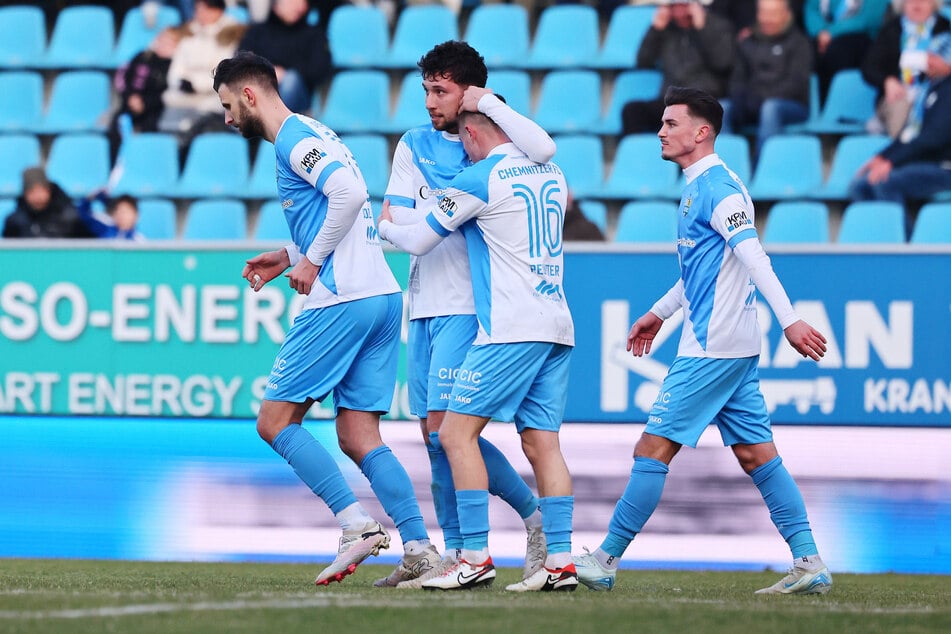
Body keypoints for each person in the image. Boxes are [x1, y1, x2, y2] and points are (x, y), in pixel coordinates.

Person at [573, 86, 833, 596]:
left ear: (702, 132)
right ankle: (809, 561)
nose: (661, 132)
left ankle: (604, 560)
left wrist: (791, 321)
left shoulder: (720, 189)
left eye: (671, 123)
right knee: (758, 456)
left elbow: (754, 257)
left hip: (712, 347)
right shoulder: (701, 186)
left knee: (652, 448)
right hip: (727, 343)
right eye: (662, 123)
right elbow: (702, 269)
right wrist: (659, 312)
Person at [212, 50, 435, 586]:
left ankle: (356, 525)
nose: (225, 119)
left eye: (226, 106)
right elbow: (342, 208)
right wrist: (290, 254)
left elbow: (351, 193)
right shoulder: (317, 131)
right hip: (381, 294)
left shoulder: (292, 138)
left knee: (274, 421)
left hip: (342, 298)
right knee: (360, 435)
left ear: (249, 94)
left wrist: (311, 261)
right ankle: (422, 550)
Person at [376, 40, 558, 589]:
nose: (431, 102)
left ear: (470, 93)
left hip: (468, 306)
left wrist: (418, 220)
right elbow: (405, 227)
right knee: (432, 436)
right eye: (426, 90)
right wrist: (420, 221)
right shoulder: (412, 144)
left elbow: (544, 150)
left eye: (442, 91)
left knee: (448, 431)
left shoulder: (498, 144)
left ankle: (532, 520)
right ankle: (453, 551)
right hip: (423, 304)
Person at [850, 32, 951, 237]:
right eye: (929, 54)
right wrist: (882, 157)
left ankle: (907, 245)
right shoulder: (930, 89)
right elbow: (910, 134)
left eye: (936, 56)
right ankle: (877, 239)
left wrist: (892, 162)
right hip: (925, 163)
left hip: (944, 167)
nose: (928, 61)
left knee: (885, 182)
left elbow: (934, 138)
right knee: (860, 186)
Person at [621, 0, 736, 138]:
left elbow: (722, 63)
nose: (679, 10)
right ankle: (634, 157)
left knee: (688, 118)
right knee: (632, 110)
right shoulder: (666, 30)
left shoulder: (718, 26)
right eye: (674, 6)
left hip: (703, 100)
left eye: (684, 5)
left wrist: (702, 29)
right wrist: (655, 30)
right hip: (670, 101)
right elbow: (643, 62)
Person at [722, 0, 813, 158]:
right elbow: (737, 80)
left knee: (770, 108)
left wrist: (760, 97)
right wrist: (744, 98)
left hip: (791, 105)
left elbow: (796, 84)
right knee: (721, 108)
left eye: (773, 13)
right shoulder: (747, 42)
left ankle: (762, 167)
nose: (767, 18)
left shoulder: (800, 43)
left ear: (786, 15)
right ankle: (724, 165)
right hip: (751, 103)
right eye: (763, 12)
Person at [862, 0, 951, 138]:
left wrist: (947, 69)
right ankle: (900, 154)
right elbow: (869, 66)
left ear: (933, 3)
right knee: (899, 104)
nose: (917, 4)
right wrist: (887, 81)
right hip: (899, 93)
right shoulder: (891, 29)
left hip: (936, 92)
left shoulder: (946, 28)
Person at [160, 0, 244, 143]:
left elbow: (223, 72)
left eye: (205, 9)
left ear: (217, 10)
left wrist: (196, 85)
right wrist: (182, 84)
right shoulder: (188, 33)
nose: (200, 14)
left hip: (213, 97)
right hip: (182, 97)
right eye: (198, 9)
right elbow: (176, 70)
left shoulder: (231, 35)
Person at [238, 0, 333, 113]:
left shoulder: (314, 34)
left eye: (302, 2)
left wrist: (286, 72)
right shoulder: (257, 31)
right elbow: (241, 61)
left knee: (290, 80)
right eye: (292, 2)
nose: (299, 7)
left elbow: (320, 69)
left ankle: (271, 121)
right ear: (276, 5)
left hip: (298, 96)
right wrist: (268, 73)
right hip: (261, 89)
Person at [109, 26, 186, 161]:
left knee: (150, 135)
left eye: (169, 43)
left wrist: (145, 103)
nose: (163, 45)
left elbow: (167, 91)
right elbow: (123, 77)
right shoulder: (142, 57)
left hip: (154, 111)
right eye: (162, 40)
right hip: (129, 106)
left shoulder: (174, 66)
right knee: (116, 128)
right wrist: (130, 97)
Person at [803, 0, 890, 102]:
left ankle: (835, 103)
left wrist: (831, 32)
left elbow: (867, 20)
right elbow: (812, 8)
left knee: (839, 51)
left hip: (860, 38)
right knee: (804, 49)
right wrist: (820, 32)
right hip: (823, 35)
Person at [2, 167, 91, 239]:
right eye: (32, 192)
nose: (38, 197)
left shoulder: (71, 217)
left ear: (49, 191)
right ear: (25, 194)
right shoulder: (15, 221)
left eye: (41, 191)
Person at [76, 191, 144, 241]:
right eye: (118, 210)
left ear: (136, 215)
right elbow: (83, 215)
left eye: (125, 212)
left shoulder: (138, 242)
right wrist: (90, 198)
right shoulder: (104, 228)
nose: (121, 215)